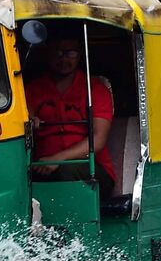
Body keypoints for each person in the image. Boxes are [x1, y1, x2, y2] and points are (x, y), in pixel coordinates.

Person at [26, 32, 116, 198]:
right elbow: (26, 120)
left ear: (79, 54)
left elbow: (98, 139)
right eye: (58, 53)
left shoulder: (95, 89)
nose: (64, 59)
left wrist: (57, 159)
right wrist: (31, 122)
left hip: (91, 170)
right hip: (43, 166)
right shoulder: (32, 89)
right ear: (48, 53)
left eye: (70, 53)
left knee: (66, 170)